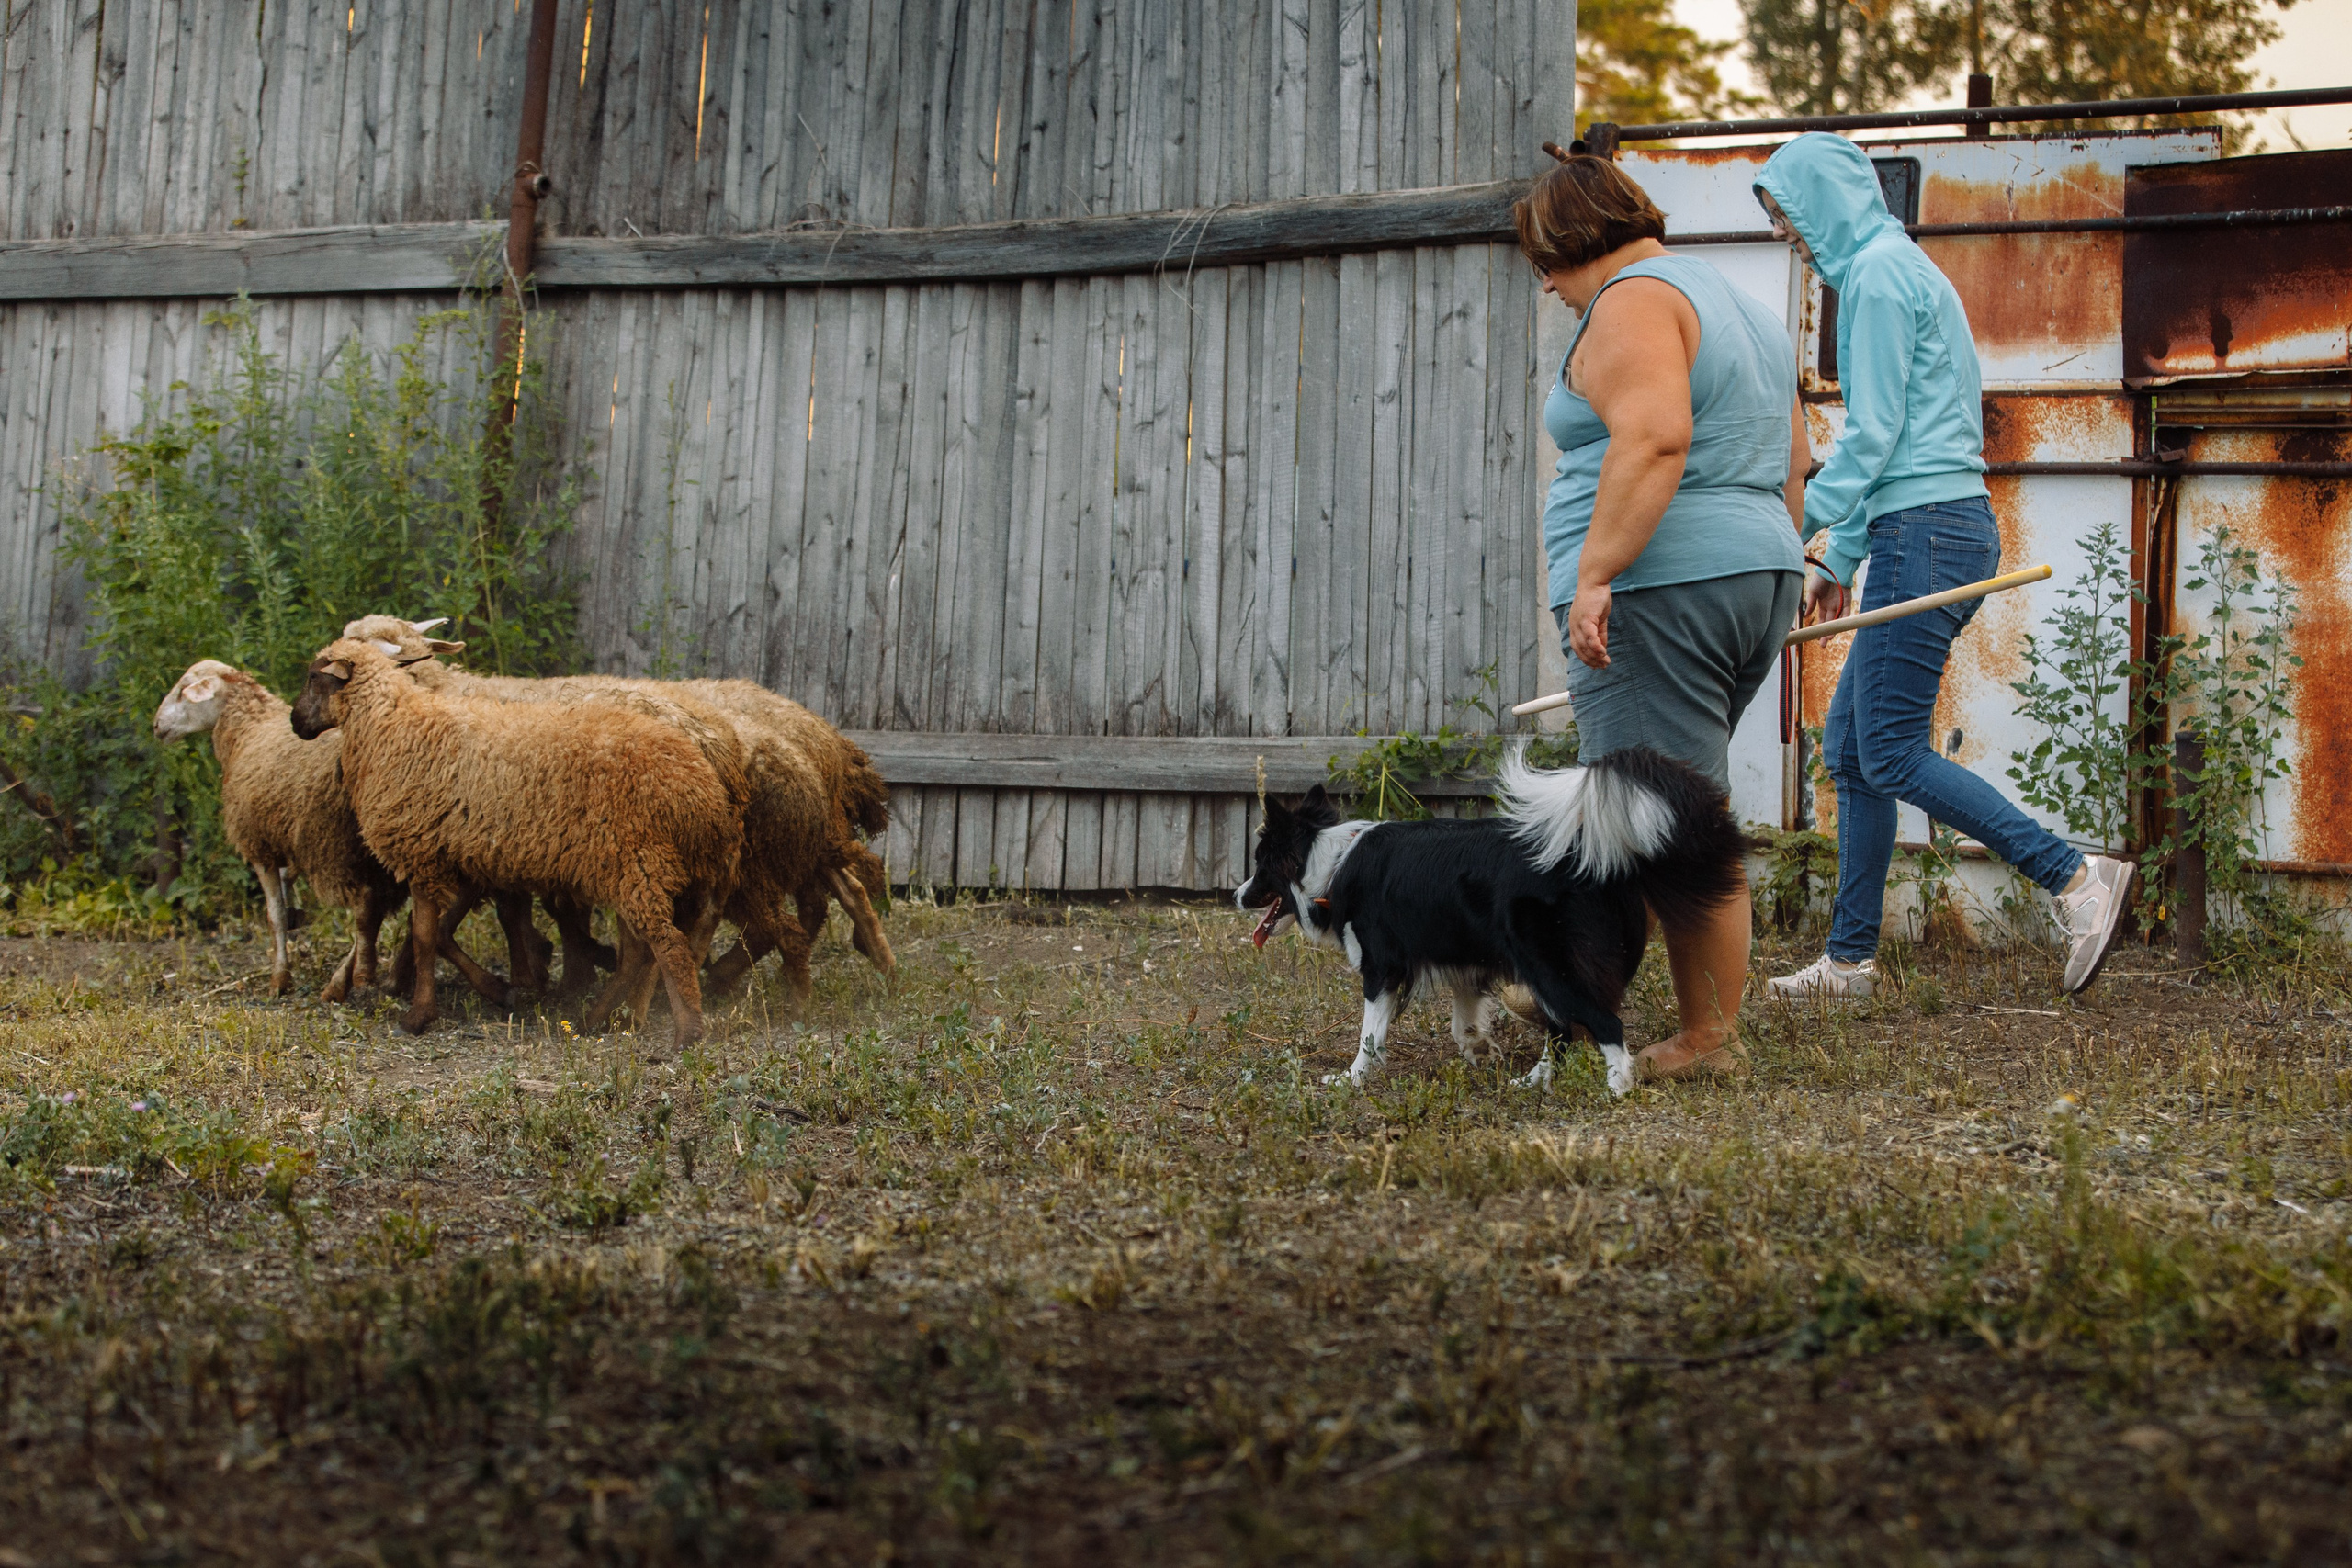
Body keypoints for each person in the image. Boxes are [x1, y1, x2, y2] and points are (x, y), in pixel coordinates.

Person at [1752, 132, 2133, 1001]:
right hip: (1924, 525)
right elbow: (1899, 443)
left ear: (1822, 201)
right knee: (1854, 751)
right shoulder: (1890, 269)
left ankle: (2076, 879)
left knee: (1887, 752)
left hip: (1925, 533)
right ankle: (1849, 962)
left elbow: (1874, 438)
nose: (1783, 234)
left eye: (1786, 214)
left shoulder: (1879, 278)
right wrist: (1838, 556)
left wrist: (1780, 529)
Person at [1513, 155, 1809, 1082]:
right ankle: (1562, 980)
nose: (1548, 287)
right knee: (1657, 805)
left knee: (1667, 814)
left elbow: (1654, 435)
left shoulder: (1632, 301)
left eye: (1544, 264)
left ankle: (1707, 1036)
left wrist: (1597, 572)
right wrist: (1769, 561)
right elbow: (1795, 462)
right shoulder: (1742, 310)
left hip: (1661, 585)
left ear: (1571, 239)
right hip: (1752, 572)